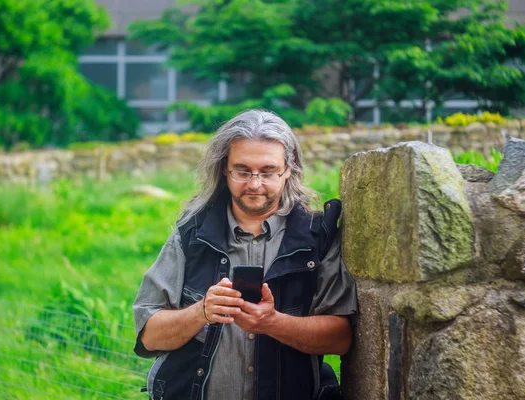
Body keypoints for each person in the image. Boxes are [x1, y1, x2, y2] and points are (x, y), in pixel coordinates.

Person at [133, 109, 358, 400]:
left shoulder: (317, 236)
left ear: (289, 169)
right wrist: (201, 312)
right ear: (224, 169)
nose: (254, 184)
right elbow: (149, 336)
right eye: (242, 170)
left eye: (268, 171)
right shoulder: (191, 233)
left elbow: (340, 337)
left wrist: (272, 323)